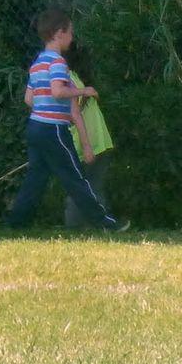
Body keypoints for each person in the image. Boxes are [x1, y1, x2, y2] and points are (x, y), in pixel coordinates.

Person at [5, 8, 128, 231]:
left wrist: (49, 110)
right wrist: (84, 91)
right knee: (75, 178)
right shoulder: (58, 63)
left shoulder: (38, 62)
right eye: (70, 33)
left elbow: (29, 99)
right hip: (54, 131)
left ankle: (16, 224)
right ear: (59, 33)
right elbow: (58, 92)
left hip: (35, 127)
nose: (72, 38)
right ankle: (105, 223)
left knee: (36, 178)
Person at [62, 46, 116, 228]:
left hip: (98, 140)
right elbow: (71, 112)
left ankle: (94, 224)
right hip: (85, 143)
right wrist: (85, 94)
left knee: (92, 185)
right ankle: (95, 224)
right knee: (83, 186)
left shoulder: (73, 76)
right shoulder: (63, 79)